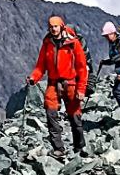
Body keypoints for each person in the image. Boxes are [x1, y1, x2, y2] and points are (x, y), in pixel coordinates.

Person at [26, 16, 90, 157]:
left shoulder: (73, 43)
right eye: (51, 27)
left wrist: (81, 89)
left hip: (71, 84)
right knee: (51, 114)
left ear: (61, 26)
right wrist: (33, 78)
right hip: (53, 84)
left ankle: (79, 147)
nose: (53, 29)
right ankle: (59, 149)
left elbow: (81, 68)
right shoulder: (47, 44)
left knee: (75, 117)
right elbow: (40, 66)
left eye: (55, 26)